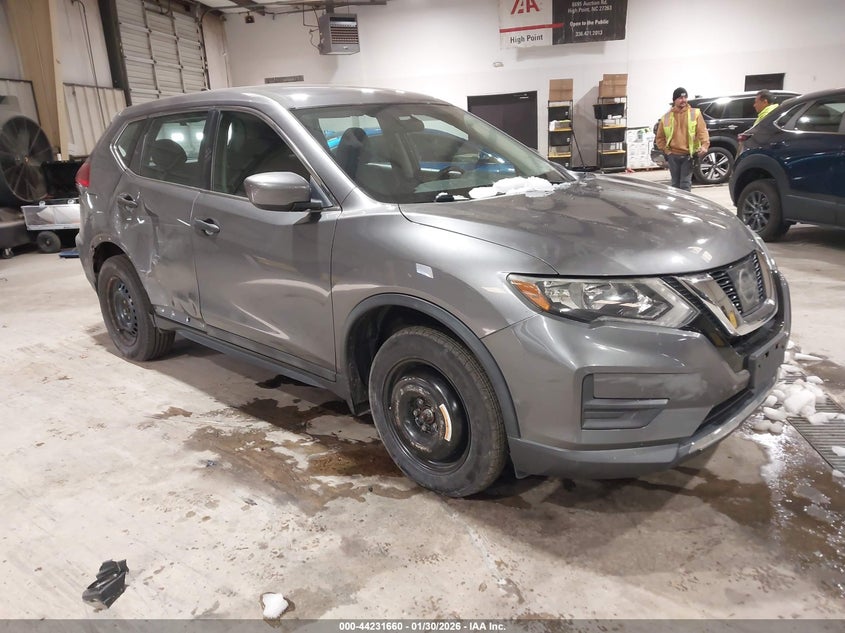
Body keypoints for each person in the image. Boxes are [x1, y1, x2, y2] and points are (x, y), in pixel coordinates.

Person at [655, 87, 710, 191]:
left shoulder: (695, 113)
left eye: (685, 97)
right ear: (674, 100)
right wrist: (667, 152)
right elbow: (660, 138)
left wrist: (704, 145)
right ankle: (677, 207)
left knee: (685, 184)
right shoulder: (666, 117)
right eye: (680, 97)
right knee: (675, 185)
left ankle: (686, 207)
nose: (683, 100)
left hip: (688, 156)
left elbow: (702, 131)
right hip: (673, 156)